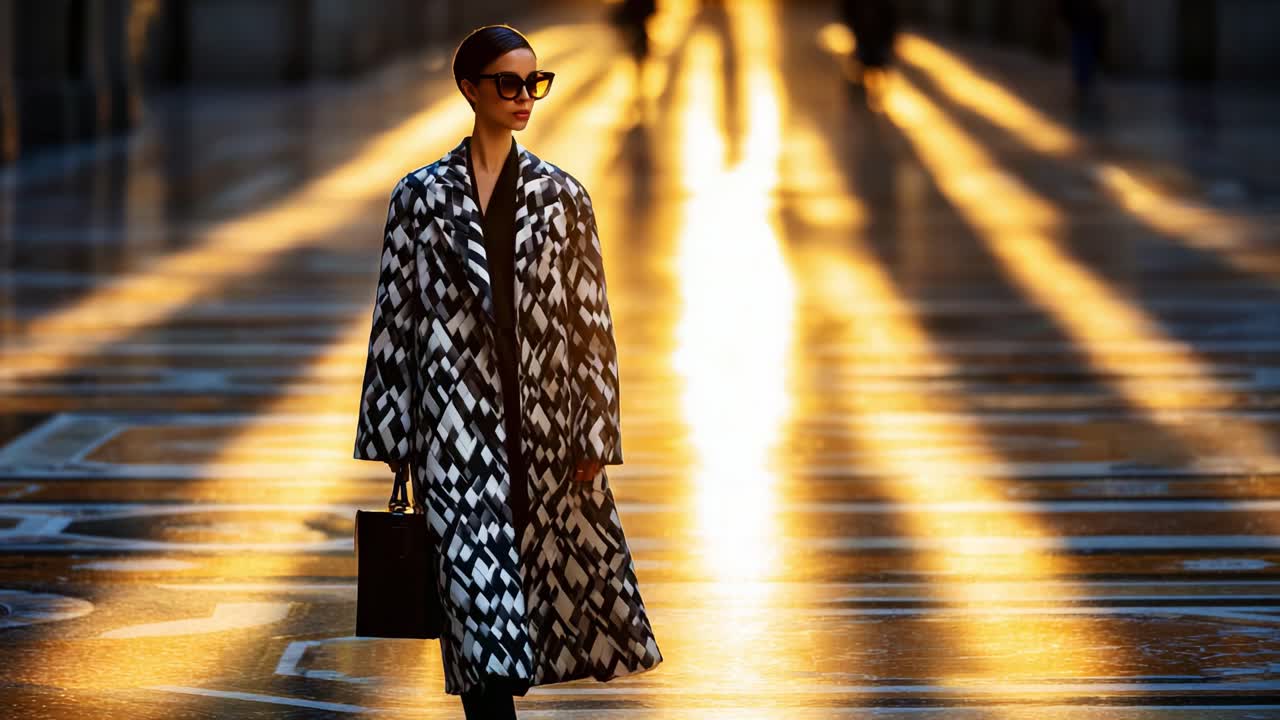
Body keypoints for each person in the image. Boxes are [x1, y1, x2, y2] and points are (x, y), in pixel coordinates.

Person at [352, 23, 663, 719]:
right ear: (470, 89)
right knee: (475, 607)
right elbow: (393, 317)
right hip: (454, 432)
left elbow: (592, 325)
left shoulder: (564, 197)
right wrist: (393, 438)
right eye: (509, 83)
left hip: (545, 432)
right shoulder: (420, 195)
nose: (525, 96)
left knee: (529, 597)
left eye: (534, 83)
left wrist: (594, 433)